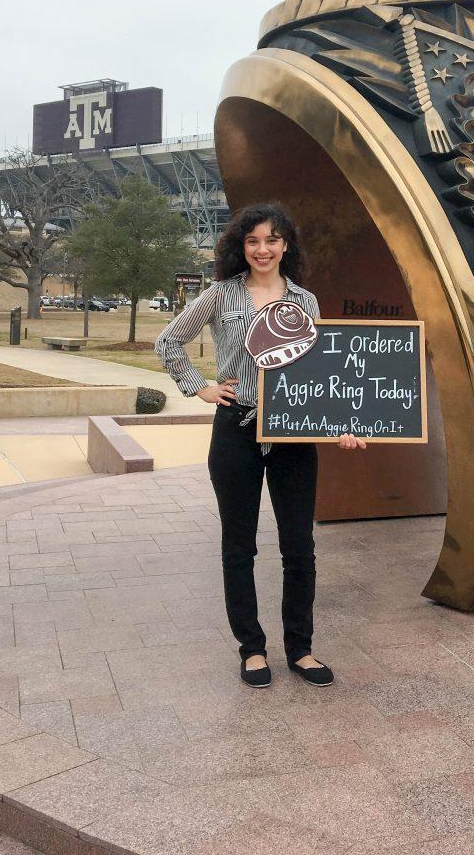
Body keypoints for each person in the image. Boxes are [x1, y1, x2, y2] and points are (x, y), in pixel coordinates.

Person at [154, 202, 365, 689]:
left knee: (299, 547)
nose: (262, 249)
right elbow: (168, 341)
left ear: (285, 245)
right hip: (237, 430)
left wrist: (343, 423)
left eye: (271, 240)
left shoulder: (306, 302)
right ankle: (251, 649)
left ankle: (301, 649)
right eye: (253, 241)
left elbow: (318, 377)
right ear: (240, 246)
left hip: (292, 434)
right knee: (238, 546)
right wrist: (199, 385)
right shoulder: (221, 295)